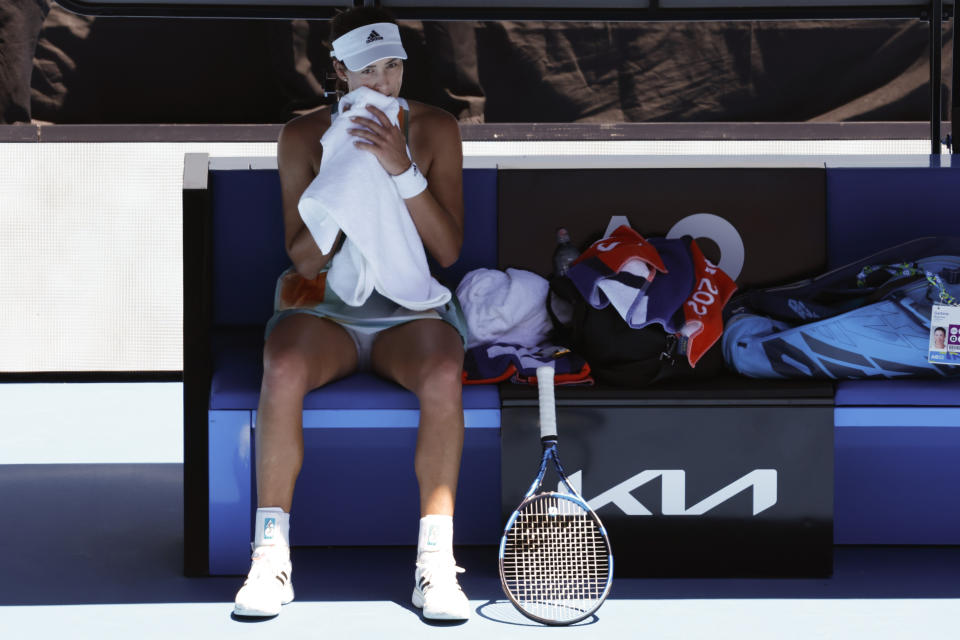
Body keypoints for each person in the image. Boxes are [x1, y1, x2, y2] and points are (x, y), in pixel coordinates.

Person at [233, 6, 471, 621]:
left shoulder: (437, 128)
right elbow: (306, 260)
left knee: (445, 371)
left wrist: (399, 168)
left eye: (394, 67)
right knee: (282, 363)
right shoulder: (301, 136)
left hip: (408, 314)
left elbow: (446, 250)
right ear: (339, 70)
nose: (385, 83)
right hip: (326, 314)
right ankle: (268, 557)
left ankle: (436, 565)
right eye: (369, 70)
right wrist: (351, 172)